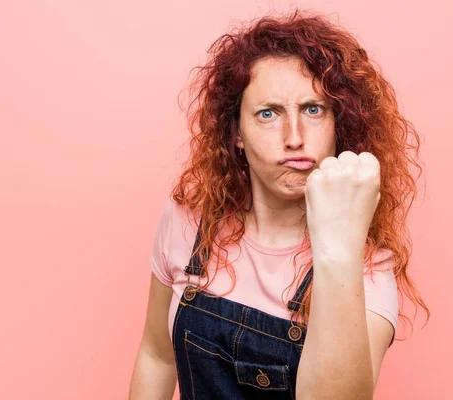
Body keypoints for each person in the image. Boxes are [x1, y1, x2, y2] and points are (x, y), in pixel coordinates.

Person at [129, 8, 429, 400]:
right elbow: (157, 356)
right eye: (268, 113)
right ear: (237, 133)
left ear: (340, 125)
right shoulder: (187, 219)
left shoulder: (367, 266)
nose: (294, 137)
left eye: (313, 109)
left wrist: (339, 249)